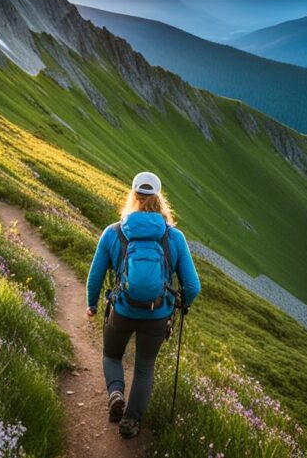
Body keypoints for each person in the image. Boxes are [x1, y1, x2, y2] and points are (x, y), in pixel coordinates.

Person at [85, 171, 201, 438]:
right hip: (157, 315)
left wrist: (91, 304)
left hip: (122, 311)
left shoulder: (113, 232)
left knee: (112, 355)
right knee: (144, 367)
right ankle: (131, 422)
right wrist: (181, 305)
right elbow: (193, 286)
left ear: (133, 196)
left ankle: (116, 392)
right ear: (159, 199)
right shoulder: (174, 238)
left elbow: (95, 276)